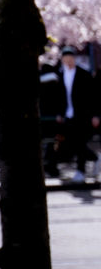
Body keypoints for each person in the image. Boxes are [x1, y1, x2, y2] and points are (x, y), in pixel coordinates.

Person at [44, 46, 99, 183]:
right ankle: (94, 158)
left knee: (79, 142)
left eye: (70, 58)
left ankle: (81, 171)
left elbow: (93, 96)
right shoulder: (61, 75)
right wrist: (59, 113)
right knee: (71, 142)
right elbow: (59, 97)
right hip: (67, 115)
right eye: (65, 58)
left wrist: (95, 115)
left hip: (82, 114)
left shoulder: (83, 74)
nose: (68, 60)